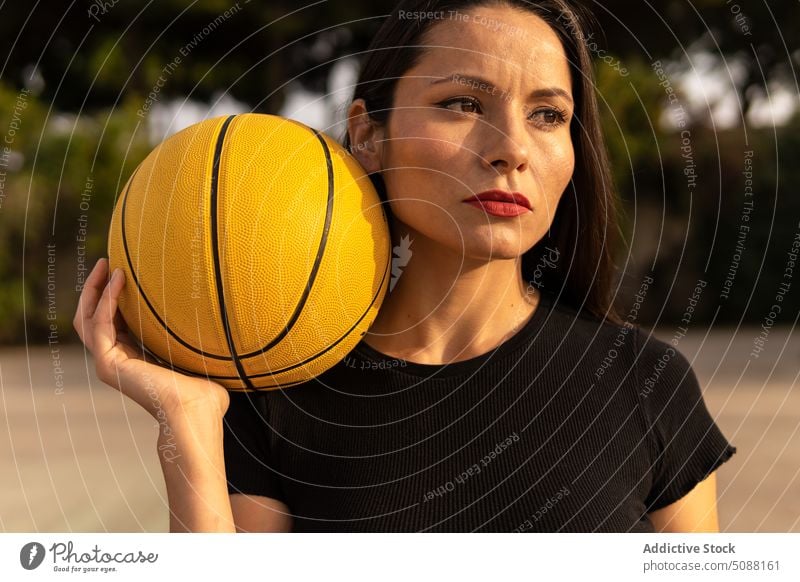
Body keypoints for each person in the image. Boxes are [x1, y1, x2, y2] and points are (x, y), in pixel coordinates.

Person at [74, 0, 736, 533]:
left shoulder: (645, 383)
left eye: (547, 114)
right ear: (367, 133)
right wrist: (188, 420)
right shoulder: (276, 392)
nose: (511, 149)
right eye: (462, 103)